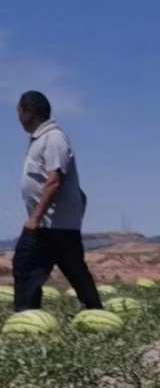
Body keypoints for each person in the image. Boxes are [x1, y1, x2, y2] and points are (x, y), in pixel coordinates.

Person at [13, 91, 102, 312]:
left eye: (19, 113)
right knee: (43, 268)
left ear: (29, 112)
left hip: (51, 224)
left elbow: (54, 180)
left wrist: (35, 218)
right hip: (53, 223)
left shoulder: (53, 138)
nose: (18, 118)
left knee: (31, 265)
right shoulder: (40, 139)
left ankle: (29, 314)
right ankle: (29, 317)